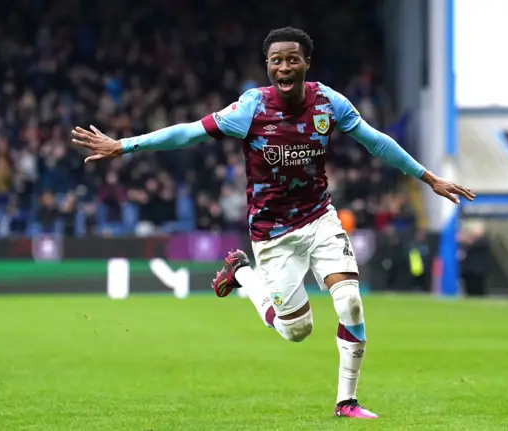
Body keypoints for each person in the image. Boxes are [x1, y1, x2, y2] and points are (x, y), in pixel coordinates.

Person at [71, 27, 476, 419]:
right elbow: (188, 133)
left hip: (320, 218)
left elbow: (376, 141)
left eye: (292, 60)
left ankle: (346, 402)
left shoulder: (329, 103)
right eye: (276, 61)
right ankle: (242, 274)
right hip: (272, 234)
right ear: (267, 65)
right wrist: (125, 145)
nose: (284, 68)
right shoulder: (251, 108)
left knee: (350, 301)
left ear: (306, 64)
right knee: (296, 331)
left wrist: (429, 178)